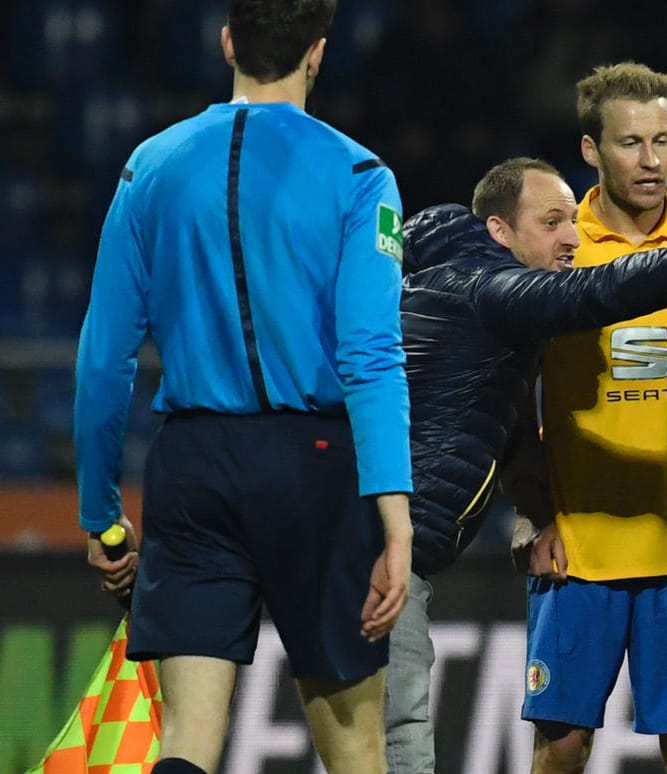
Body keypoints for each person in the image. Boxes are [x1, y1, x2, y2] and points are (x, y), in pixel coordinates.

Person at [75, 3, 414, 773]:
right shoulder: (362, 175)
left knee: (188, 743)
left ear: (228, 42)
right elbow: (370, 352)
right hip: (319, 468)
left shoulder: (149, 166)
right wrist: (394, 515)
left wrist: (101, 515)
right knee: (355, 747)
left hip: (193, 465)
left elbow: (103, 357)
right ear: (320, 54)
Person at [386, 157, 667, 773]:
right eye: (551, 222)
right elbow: (600, 291)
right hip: (388, 544)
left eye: (572, 219)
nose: (571, 237)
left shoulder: (441, 290)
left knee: (366, 728)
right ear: (499, 232)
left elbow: (512, 422)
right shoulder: (491, 291)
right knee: (399, 730)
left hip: (370, 533)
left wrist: (530, 505)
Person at [514, 62, 667, 774]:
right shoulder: (558, 247)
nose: (651, 162)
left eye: (662, 140)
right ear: (590, 150)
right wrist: (533, 513)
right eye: (628, 144)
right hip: (579, 550)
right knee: (560, 748)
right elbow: (508, 396)